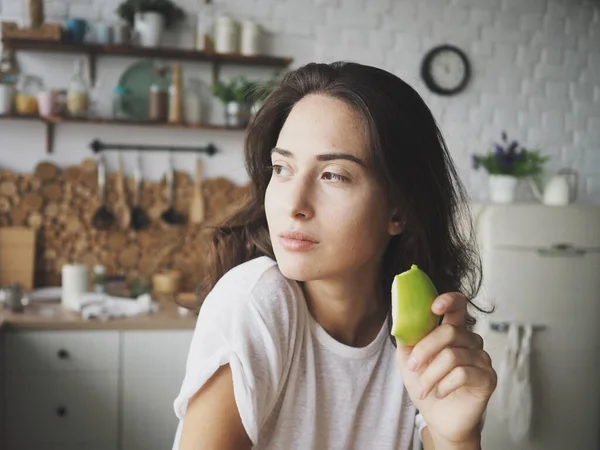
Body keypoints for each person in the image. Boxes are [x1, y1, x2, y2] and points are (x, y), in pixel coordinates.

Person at [172, 61, 497, 450]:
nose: (294, 204)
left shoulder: (422, 336)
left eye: (333, 175)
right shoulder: (254, 302)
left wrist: (457, 436)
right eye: (282, 168)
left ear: (399, 211)